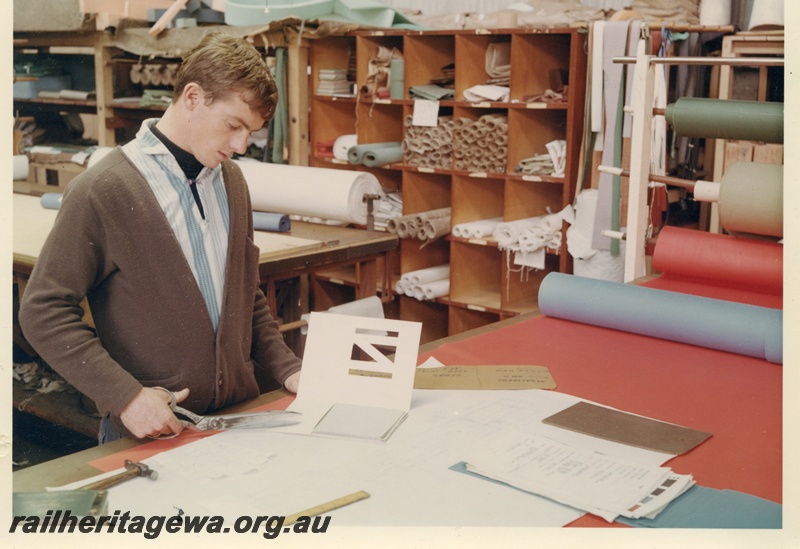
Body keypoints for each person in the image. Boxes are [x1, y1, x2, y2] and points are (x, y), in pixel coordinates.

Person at [19, 32, 301, 443]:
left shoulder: (232, 183)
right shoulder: (104, 190)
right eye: (234, 125)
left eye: (251, 133)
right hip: (152, 431)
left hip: (236, 422)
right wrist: (126, 397)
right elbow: (42, 312)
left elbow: (245, 296)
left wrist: (289, 368)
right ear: (191, 97)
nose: (240, 145)